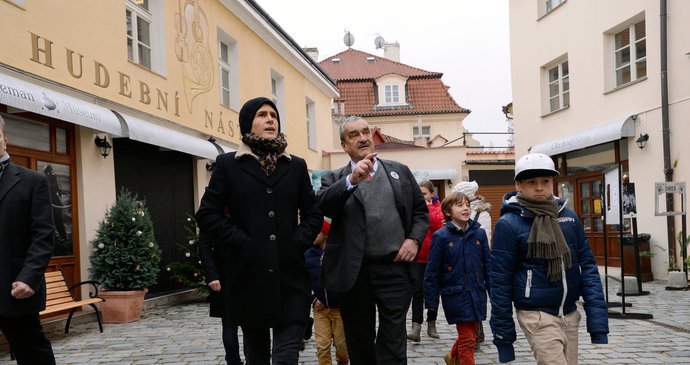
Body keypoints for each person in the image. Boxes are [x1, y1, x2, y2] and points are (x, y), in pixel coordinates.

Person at [196, 97, 322, 365]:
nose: (270, 120)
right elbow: (207, 214)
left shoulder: (295, 165)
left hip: (290, 276)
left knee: (286, 358)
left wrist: (297, 241)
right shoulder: (228, 165)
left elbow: (313, 214)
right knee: (257, 357)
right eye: (262, 115)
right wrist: (241, 240)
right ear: (247, 124)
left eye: (274, 115)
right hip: (248, 277)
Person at [317, 116, 429, 365]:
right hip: (354, 273)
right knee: (359, 342)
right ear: (344, 145)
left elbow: (420, 213)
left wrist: (413, 240)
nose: (363, 137)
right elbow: (323, 205)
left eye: (366, 131)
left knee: (393, 342)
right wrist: (352, 180)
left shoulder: (399, 171)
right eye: (354, 135)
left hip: (394, 268)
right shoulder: (334, 178)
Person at [490, 153, 609, 364]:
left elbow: (588, 268)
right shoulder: (508, 224)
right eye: (531, 182)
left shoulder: (569, 218)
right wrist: (504, 339)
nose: (539, 187)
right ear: (518, 184)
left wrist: (598, 324)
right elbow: (500, 281)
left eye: (545, 181)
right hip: (536, 315)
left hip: (569, 314)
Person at [0, 115, 57, 364]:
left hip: (15, 290)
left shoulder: (33, 181)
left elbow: (43, 235)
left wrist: (29, 277)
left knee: (33, 355)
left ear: (4, 139)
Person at [424, 191, 490, 365]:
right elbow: (432, 272)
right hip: (456, 295)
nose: (466, 208)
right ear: (447, 211)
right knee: (468, 340)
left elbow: (488, 266)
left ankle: (452, 356)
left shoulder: (479, 234)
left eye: (467, 204)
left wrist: (495, 291)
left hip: (477, 292)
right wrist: (431, 304)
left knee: (471, 333)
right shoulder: (441, 236)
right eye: (460, 205)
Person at [451, 180, 492, 349]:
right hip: (458, 263)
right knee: (464, 299)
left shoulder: (482, 214)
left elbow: (486, 240)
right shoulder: (453, 213)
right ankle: (469, 336)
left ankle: (473, 334)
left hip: (476, 262)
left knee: (474, 297)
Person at [197, 229, 244, 365]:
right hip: (224, 274)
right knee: (229, 323)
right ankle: (233, 361)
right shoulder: (214, 214)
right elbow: (204, 246)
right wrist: (212, 275)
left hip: (246, 272)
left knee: (250, 323)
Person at [305, 220, 349, 365]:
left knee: (342, 347)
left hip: (339, 309)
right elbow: (304, 282)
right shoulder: (308, 255)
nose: (313, 235)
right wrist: (313, 298)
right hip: (320, 309)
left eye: (317, 232)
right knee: (322, 346)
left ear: (325, 234)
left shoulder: (338, 254)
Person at [407, 180, 444, 342]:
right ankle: (416, 327)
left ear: (432, 194)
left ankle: (432, 323)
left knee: (432, 291)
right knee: (417, 292)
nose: (421, 197)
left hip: (434, 257)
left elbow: (437, 225)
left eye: (424, 194)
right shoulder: (412, 209)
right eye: (419, 194)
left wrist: (427, 208)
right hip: (416, 257)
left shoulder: (439, 208)